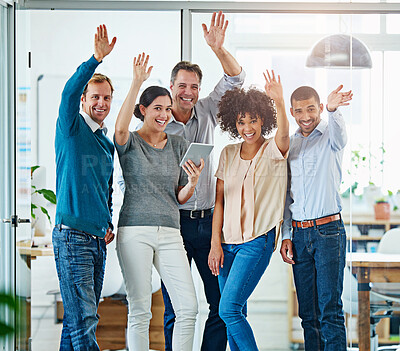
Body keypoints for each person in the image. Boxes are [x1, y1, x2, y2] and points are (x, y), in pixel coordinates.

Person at [160, 11, 245, 351]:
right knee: (174, 307)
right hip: (173, 226)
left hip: (210, 223)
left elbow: (237, 79)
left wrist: (218, 48)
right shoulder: (158, 124)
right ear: (171, 87)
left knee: (220, 306)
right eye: (182, 85)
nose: (188, 92)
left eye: (193, 86)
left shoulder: (208, 109)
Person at [114, 53, 204, 351]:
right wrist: (137, 80)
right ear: (143, 110)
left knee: (189, 308)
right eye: (157, 108)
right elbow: (119, 129)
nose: (165, 114)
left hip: (169, 232)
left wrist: (192, 183)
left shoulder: (178, 144)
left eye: (167, 108)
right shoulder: (130, 142)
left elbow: (179, 195)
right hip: (134, 231)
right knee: (140, 310)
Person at [208, 70, 290, 350]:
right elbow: (218, 201)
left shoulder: (273, 151)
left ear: (262, 120)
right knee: (236, 312)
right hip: (226, 243)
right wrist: (214, 244)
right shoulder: (227, 153)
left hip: (256, 241)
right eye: (241, 122)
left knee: (228, 309)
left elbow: (285, 135)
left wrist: (279, 100)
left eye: (252, 120)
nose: (247, 127)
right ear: (235, 124)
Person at [52, 24, 116, 351]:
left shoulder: (106, 144)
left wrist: (108, 222)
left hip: (96, 240)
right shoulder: (71, 126)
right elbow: (67, 91)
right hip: (72, 236)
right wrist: (95, 59)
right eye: (95, 96)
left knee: (78, 322)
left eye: (106, 98)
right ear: (83, 99)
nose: (101, 103)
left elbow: (105, 190)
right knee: (85, 320)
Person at [280, 85, 353, 351]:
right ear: (292, 112)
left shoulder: (330, 136)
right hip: (299, 235)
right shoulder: (291, 143)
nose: (305, 116)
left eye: (311, 108)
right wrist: (287, 235)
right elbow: (288, 196)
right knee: (308, 316)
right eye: (299, 110)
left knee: (330, 311)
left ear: (320, 108)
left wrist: (334, 110)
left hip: (328, 233)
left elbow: (341, 137)